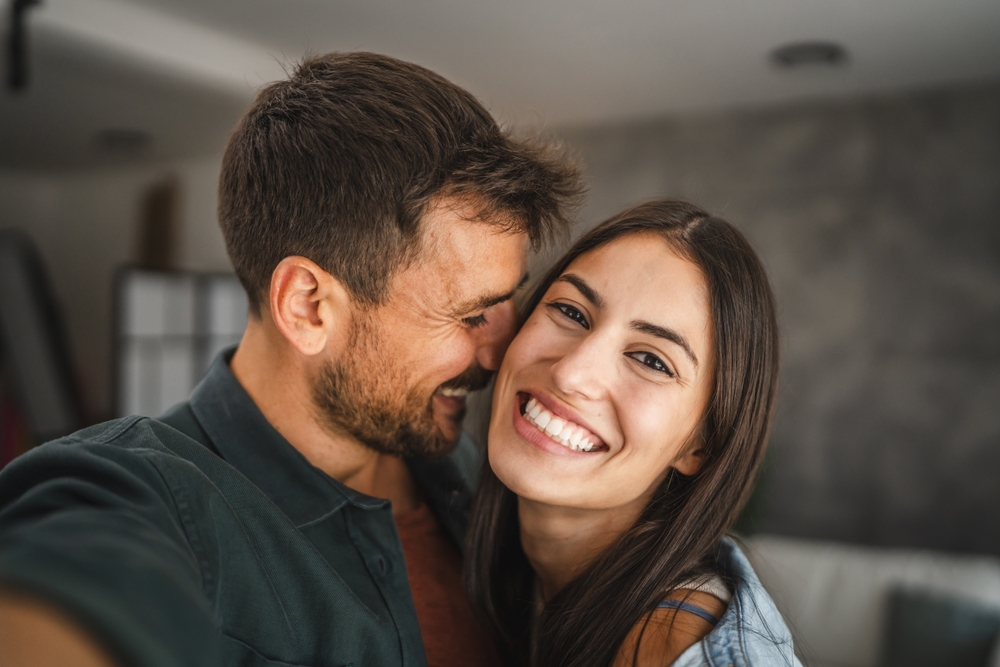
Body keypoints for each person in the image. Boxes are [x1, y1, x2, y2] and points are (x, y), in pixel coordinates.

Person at [0, 52, 582, 667]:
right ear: (308, 307)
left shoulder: (467, 459)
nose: (505, 349)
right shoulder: (139, 497)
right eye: (470, 315)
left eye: (508, 303)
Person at [465, 200, 801, 666]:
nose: (571, 373)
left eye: (650, 360)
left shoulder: (677, 647)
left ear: (699, 446)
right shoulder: (498, 565)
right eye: (571, 312)